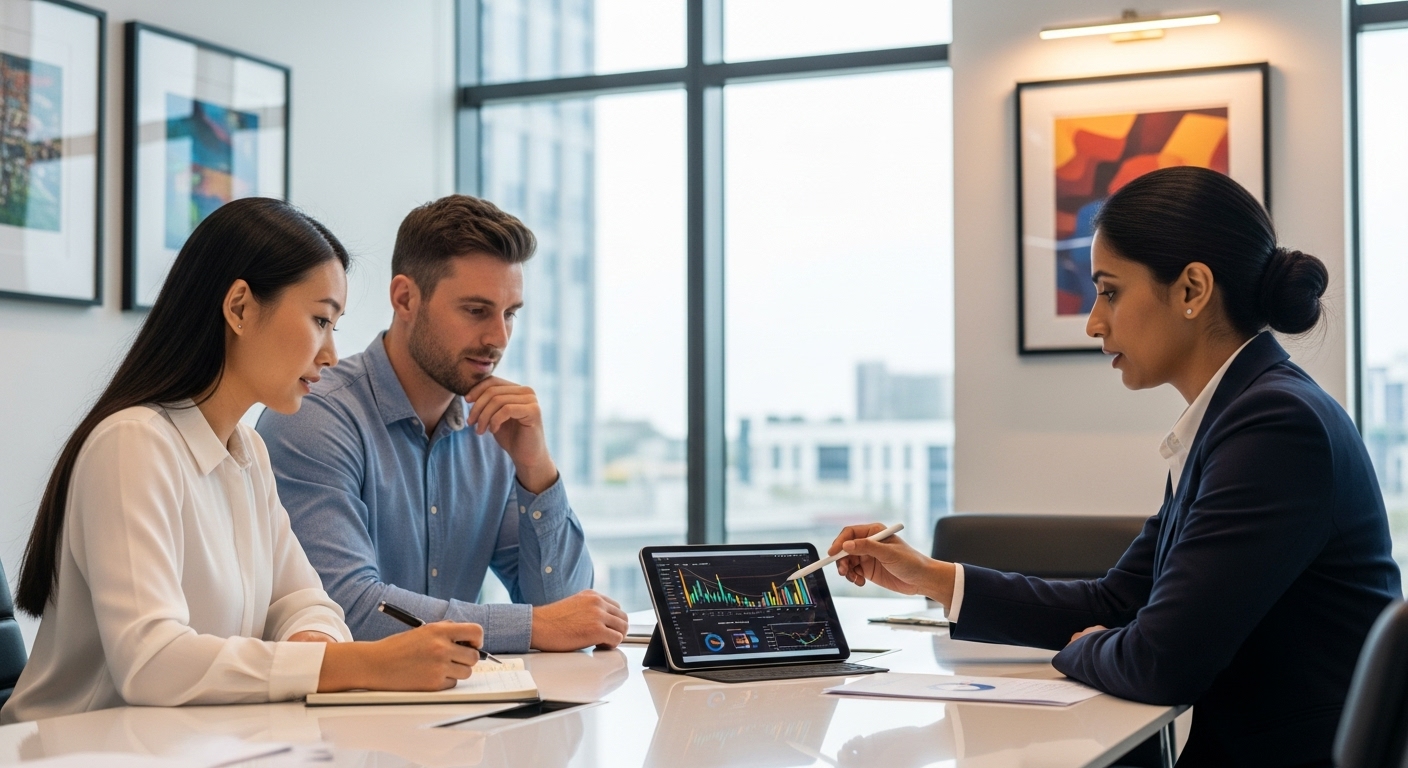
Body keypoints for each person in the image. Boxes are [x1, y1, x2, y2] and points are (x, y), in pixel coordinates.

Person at [826, 167, 1402, 767]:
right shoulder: (1242, 414)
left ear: (1192, 290)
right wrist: (932, 578)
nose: (1093, 322)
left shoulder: (1274, 427)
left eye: (1109, 291)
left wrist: (1084, 650)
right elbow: (1116, 603)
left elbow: (1160, 661)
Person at [2, 199, 487, 724]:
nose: (330, 354)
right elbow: (152, 663)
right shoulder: (132, 444)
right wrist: (359, 664)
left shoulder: (247, 450)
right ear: (239, 308)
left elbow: (307, 602)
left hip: (189, 744)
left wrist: (311, 642)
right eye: (320, 320)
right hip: (68, 749)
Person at [256, 194, 626, 653]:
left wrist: (537, 470)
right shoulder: (314, 416)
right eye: (476, 311)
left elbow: (568, 611)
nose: (498, 337)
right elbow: (344, 608)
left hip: (462, 696)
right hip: (337, 700)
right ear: (405, 298)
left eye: (510, 313)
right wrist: (532, 627)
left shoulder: (494, 430)